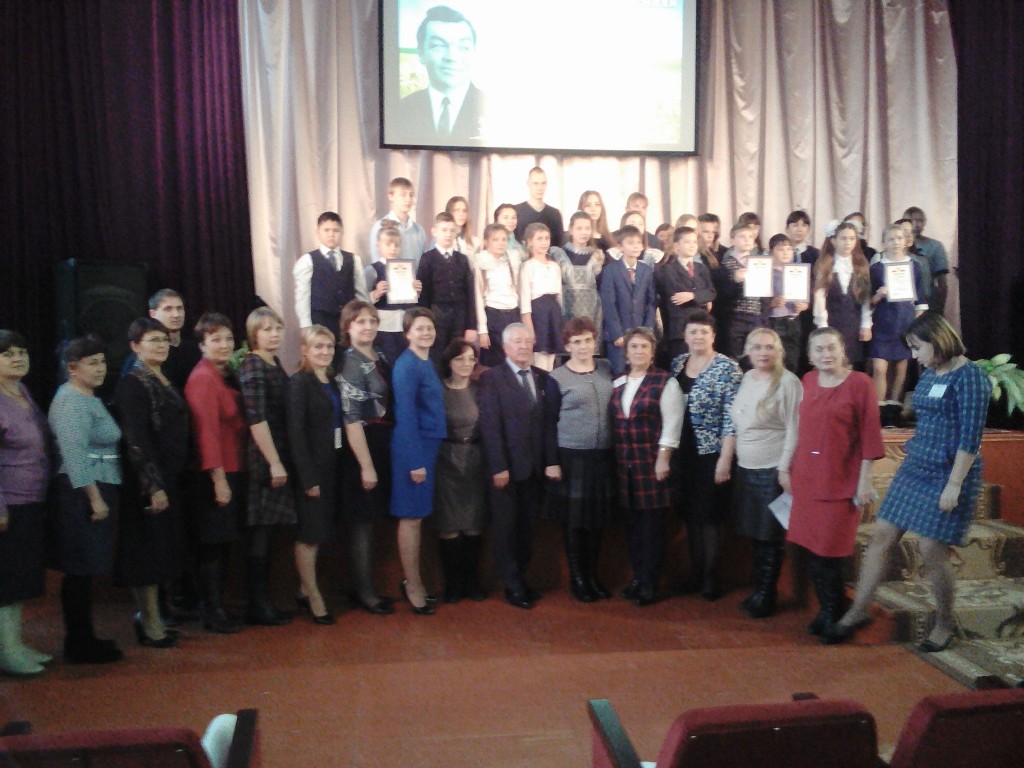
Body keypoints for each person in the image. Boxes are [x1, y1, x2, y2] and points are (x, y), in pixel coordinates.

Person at [832, 314, 991, 650]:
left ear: (938, 340)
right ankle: (859, 610)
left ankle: (945, 622)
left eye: (917, 348)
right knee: (882, 535)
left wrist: (954, 484)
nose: (914, 356)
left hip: (950, 472)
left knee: (931, 549)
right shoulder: (932, 372)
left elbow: (971, 437)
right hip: (916, 467)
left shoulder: (971, 377)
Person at [787, 327, 884, 642]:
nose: (825, 354)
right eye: (818, 349)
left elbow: (870, 435)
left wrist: (864, 481)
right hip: (807, 478)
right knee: (811, 549)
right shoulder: (808, 380)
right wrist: (786, 467)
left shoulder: (861, 383)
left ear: (843, 350)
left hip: (840, 480)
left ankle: (835, 613)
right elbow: (799, 428)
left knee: (830, 551)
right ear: (809, 355)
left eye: (831, 348)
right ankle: (830, 608)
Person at [113, 318, 191, 648]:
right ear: (135, 346)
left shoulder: (163, 377)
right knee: (146, 554)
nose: (161, 345)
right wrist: (153, 485)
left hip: (168, 477)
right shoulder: (132, 384)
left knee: (161, 551)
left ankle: (153, 617)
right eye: (152, 340)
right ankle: (149, 622)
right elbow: (136, 439)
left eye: (163, 340)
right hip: (147, 482)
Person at [48, 336, 124, 664]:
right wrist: (94, 498)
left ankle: (84, 638)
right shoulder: (71, 401)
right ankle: (78, 643)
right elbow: (75, 455)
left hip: (99, 486)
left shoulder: (88, 396)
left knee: (86, 569)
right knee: (79, 569)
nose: (100, 368)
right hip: (81, 494)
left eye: (102, 361)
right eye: (92, 363)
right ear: (72, 368)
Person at [479, 323, 559, 609]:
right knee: (506, 530)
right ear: (505, 347)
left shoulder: (543, 378)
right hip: (506, 471)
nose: (523, 345)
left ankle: (521, 579)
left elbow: (549, 425)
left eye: (528, 340)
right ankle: (512, 586)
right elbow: (490, 426)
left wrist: (551, 461)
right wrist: (498, 466)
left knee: (527, 530)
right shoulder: (491, 378)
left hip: (534, 470)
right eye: (517, 341)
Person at [670, 312, 742, 600]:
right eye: (693, 331)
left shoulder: (728, 368)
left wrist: (726, 458)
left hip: (712, 453)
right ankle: (695, 572)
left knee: (710, 516)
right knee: (690, 515)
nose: (698, 336)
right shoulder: (677, 363)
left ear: (713, 336)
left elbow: (732, 417)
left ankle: (712, 578)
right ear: (685, 336)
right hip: (683, 452)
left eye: (704, 332)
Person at [730, 328, 801, 618]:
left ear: (779, 351)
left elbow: (795, 429)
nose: (763, 353)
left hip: (772, 469)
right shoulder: (747, 377)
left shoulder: (788, 382)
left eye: (769, 347)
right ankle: (760, 589)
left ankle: (767, 595)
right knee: (755, 535)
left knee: (769, 536)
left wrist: (784, 468)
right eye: (757, 347)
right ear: (748, 351)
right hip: (746, 466)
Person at [611, 327, 684, 607]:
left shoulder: (665, 381)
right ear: (626, 353)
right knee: (632, 527)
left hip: (652, 464)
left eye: (644, 346)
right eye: (634, 346)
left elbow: (672, 424)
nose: (639, 351)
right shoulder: (618, 381)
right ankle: (638, 578)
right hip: (625, 466)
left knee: (652, 530)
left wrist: (663, 458)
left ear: (653, 352)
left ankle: (650, 584)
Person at [184, 313, 247, 634]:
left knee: (222, 545)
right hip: (214, 474)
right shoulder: (203, 377)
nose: (224, 345)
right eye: (216, 339)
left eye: (228, 339)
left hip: (232, 467)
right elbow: (205, 433)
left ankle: (217, 606)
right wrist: (219, 480)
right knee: (211, 546)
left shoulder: (223, 373)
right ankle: (211, 611)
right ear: (202, 345)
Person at [546, 317, 616, 602]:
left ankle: (593, 576)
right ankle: (578, 579)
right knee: (574, 523)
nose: (583, 346)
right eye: (576, 342)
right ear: (567, 346)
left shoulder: (606, 368)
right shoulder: (557, 377)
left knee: (596, 522)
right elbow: (548, 422)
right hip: (571, 456)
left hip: (603, 456)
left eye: (587, 340)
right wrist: (551, 461)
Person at [237, 307, 295, 627]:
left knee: (269, 530)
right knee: (261, 531)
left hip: (278, 454)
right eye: (266, 329)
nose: (274, 334)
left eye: (277, 328)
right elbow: (256, 419)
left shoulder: (273, 361)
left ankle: (263, 600)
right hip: (264, 457)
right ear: (253, 334)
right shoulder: (253, 364)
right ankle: (257, 604)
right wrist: (274, 463)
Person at [337, 300, 395, 615]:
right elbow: (351, 418)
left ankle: (363, 585)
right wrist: (366, 465)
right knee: (361, 524)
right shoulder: (350, 361)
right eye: (361, 321)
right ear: (348, 327)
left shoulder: (380, 354)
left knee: (371, 522)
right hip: (362, 446)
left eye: (372, 321)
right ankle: (364, 592)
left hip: (381, 441)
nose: (368, 326)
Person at [0, 330, 53, 675]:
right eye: (8, 354)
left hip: (32, 499)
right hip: (9, 504)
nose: (18, 358)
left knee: (20, 578)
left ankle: (15, 643)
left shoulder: (21, 391)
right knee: (7, 580)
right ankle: (7, 652)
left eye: (22, 352)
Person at [391, 308, 447, 615]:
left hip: (427, 448)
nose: (426, 332)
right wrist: (414, 461)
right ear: (407, 333)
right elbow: (406, 416)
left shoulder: (426, 361)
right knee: (411, 518)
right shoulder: (407, 365)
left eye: (430, 328)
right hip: (413, 450)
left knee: (419, 517)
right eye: (419, 328)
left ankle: (416, 582)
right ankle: (412, 586)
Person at [287, 325, 343, 625]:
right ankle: (313, 595)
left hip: (330, 464)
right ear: (305, 350)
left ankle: (303, 588)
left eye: (329, 346)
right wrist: (308, 478)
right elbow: (295, 434)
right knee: (309, 534)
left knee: (319, 531)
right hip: (311, 469)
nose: (325, 351)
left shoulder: (330, 379)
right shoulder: (299, 382)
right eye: (318, 346)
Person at [435, 340, 488, 603]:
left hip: (476, 460)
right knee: (449, 525)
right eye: (460, 358)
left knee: (474, 525)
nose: (467, 364)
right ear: (449, 362)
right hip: (446, 461)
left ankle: (472, 582)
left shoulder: (481, 390)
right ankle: (453, 585)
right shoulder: (439, 390)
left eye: (471, 358)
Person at [397, 5, 485, 142]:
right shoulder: (401, 110)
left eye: (463, 47)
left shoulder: (494, 108)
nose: (452, 57)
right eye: (438, 45)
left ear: (474, 53)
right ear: (421, 53)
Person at [869, 224, 929, 424]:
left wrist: (917, 326)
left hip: (905, 323)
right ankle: (878, 410)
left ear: (906, 241)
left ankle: (894, 410)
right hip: (882, 323)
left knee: (901, 369)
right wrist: (879, 295)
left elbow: (921, 300)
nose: (895, 242)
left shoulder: (914, 266)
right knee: (879, 368)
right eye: (891, 239)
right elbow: (867, 301)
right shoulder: (876, 268)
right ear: (883, 243)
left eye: (899, 238)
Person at [293, 212, 371, 331]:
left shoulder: (354, 260)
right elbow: (302, 297)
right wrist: (306, 326)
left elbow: (361, 294)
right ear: (318, 232)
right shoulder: (308, 260)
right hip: (319, 322)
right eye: (326, 230)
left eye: (336, 230)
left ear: (342, 232)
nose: (331, 234)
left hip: (348, 323)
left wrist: (364, 320)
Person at [813, 220, 872, 371]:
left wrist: (866, 324)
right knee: (832, 362)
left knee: (851, 363)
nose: (848, 243)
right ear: (834, 241)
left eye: (852, 239)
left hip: (853, 321)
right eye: (843, 238)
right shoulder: (825, 265)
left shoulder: (860, 265)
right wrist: (823, 326)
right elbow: (820, 298)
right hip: (832, 321)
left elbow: (865, 298)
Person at [417, 211, 476, 357]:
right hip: (436, 316)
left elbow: (470, 294)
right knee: (437, 355)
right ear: (434, 232)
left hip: (459, 317)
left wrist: (471, 325)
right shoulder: (427, 258)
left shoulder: (462, 259)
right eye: (444, 230)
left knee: (457, 354)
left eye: (452, 230)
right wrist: (425, 321)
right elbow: (424, 295)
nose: (448, 234)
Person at [600, 225, 657, 375]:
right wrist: (617, 334)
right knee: (620, 374)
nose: (636, 246)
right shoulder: (611, 270)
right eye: (630, 243)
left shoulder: (647, 270)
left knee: (642, 374)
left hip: (642, 333)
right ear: (620, 246)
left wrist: (648, 330)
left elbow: (651, 303)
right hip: (619, 335)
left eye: (639, 242)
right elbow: (608, 304)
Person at [655, 226, 716, 361]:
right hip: (679, 328)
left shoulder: (701, 268)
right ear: (676, 246)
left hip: (701, 325)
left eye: (694, 242)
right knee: (681, 365)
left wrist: (693, 296)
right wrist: (701, 297)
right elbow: (676, 294)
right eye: (687, 242)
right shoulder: (667, 270)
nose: (692, 245)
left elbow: (711, 292)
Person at [368, 223, 422, 365]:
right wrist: (376, 293)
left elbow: (412, 300)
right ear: (378, 246)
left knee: (407, 362)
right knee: (388, 363)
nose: (393, 248)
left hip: (405, 324)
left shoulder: (408, 269)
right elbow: (361, 300)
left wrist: (416, 291)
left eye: (396, 245)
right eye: (388, 244)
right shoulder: (372, 270)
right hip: (385, 326)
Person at [474, 222, 522, 367]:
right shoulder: (481, 263)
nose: (501, 243)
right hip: (493, 316)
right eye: (495, 239)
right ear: (486, 242)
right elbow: (478, 299)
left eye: (504, 239)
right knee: (494, 362)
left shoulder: (512, 260)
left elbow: (518, 291)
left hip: (513, 314)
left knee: (513, 359)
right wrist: (483, 330)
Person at [720, 222, 770, 361]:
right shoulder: (725, 264)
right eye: (742, 236)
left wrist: (764, 318)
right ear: (732, 240)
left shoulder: (761, 263)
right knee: (735, 357)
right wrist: (734, 281)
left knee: (756, 356)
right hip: (735, 317)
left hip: (756, 316)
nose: (747, 240)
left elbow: (765, 296)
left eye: (750, 236)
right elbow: (721, 295)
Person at [518, 222, 563, 371]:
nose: (544, 242)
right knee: (538, 357)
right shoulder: (528, 266)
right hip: (538, 313)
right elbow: (525, 300)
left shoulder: (554, 266)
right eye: (539, 238)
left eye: (546, 238)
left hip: (553, 312)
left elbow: (559, 296)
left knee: (551, 357)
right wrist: (529, 328)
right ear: (530, 242)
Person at [557, 211, 605, 342]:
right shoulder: (558, 254)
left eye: (587, 228)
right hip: (567, 307)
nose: (584, 232)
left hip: (591, 309)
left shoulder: (597, 255)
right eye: (579, 228)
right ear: (571, 230)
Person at [767, 234, 809, 373]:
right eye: (780, 249)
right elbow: (758, 300)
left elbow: (806, 299)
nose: (785, 253)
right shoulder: (766, 272)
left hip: (793, 320)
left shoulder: (798, 271)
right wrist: (771, 303)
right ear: (771, 251)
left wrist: (803, 305)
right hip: (773, 320)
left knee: (792, 360)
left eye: (789, 249)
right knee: (774, 360)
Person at [369, 177, 428, 268]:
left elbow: (423, 264)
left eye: (411, 195)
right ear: (391, 196)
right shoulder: (380, 226)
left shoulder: (419, 230)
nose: (408, 199)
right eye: (403, 195)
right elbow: (377, 262)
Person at [902, 207, 949, 314]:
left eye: (919, 220)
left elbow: (942, 282)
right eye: (911, 221)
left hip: (928, 300)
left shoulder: (935, 246)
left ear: (924, 223)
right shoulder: (895, 247)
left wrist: (940, 306)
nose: (915, 224)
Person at [514, 167, 564, 248]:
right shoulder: (516, 211)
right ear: (528, 184)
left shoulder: (554, 214)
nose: (540, 188)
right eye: (535, 183)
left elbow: (558, 244)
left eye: (543, 183)